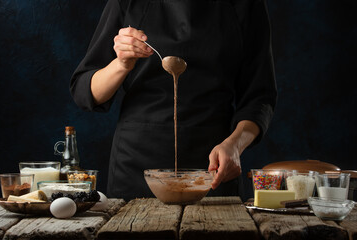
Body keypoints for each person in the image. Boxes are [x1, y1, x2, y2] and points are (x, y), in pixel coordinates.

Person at [70, 0, 277, 201]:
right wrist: (121, 64)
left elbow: (259, 97)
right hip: (136, 165)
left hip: (212, 167)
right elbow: (86, 93)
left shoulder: (245, 4)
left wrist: (235, 145)